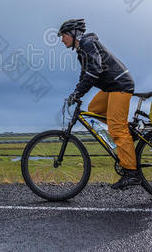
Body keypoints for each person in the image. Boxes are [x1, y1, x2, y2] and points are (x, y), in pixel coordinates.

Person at [57, 18, 140, 190]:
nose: (61, 39)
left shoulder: (88, 43)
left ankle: (132, 173)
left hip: (120, 86)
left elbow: (94, 70)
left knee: (117, 128)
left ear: (73, 34)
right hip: (111, 88)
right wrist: (76, 92)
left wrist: (79, 92)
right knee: (94, 109)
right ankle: (126, 133)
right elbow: (85, 74)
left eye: (63, 35)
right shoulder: (82, 50)